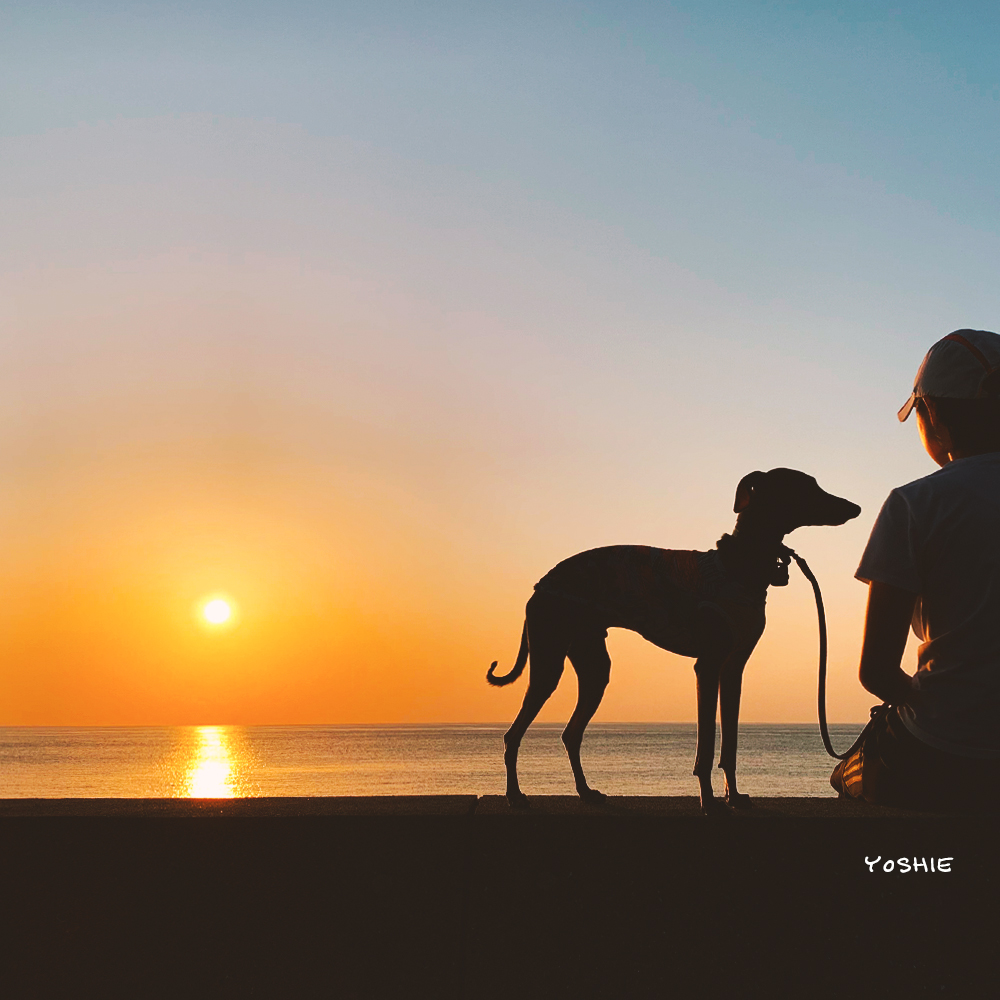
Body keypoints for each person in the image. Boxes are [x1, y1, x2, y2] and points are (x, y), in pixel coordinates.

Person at [831, 329, 1000, 810]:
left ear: (934, 415)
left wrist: (934, 703)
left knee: (851, 778)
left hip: (942, 749)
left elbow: (878, 671)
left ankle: (903, 873)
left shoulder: (915, 504)